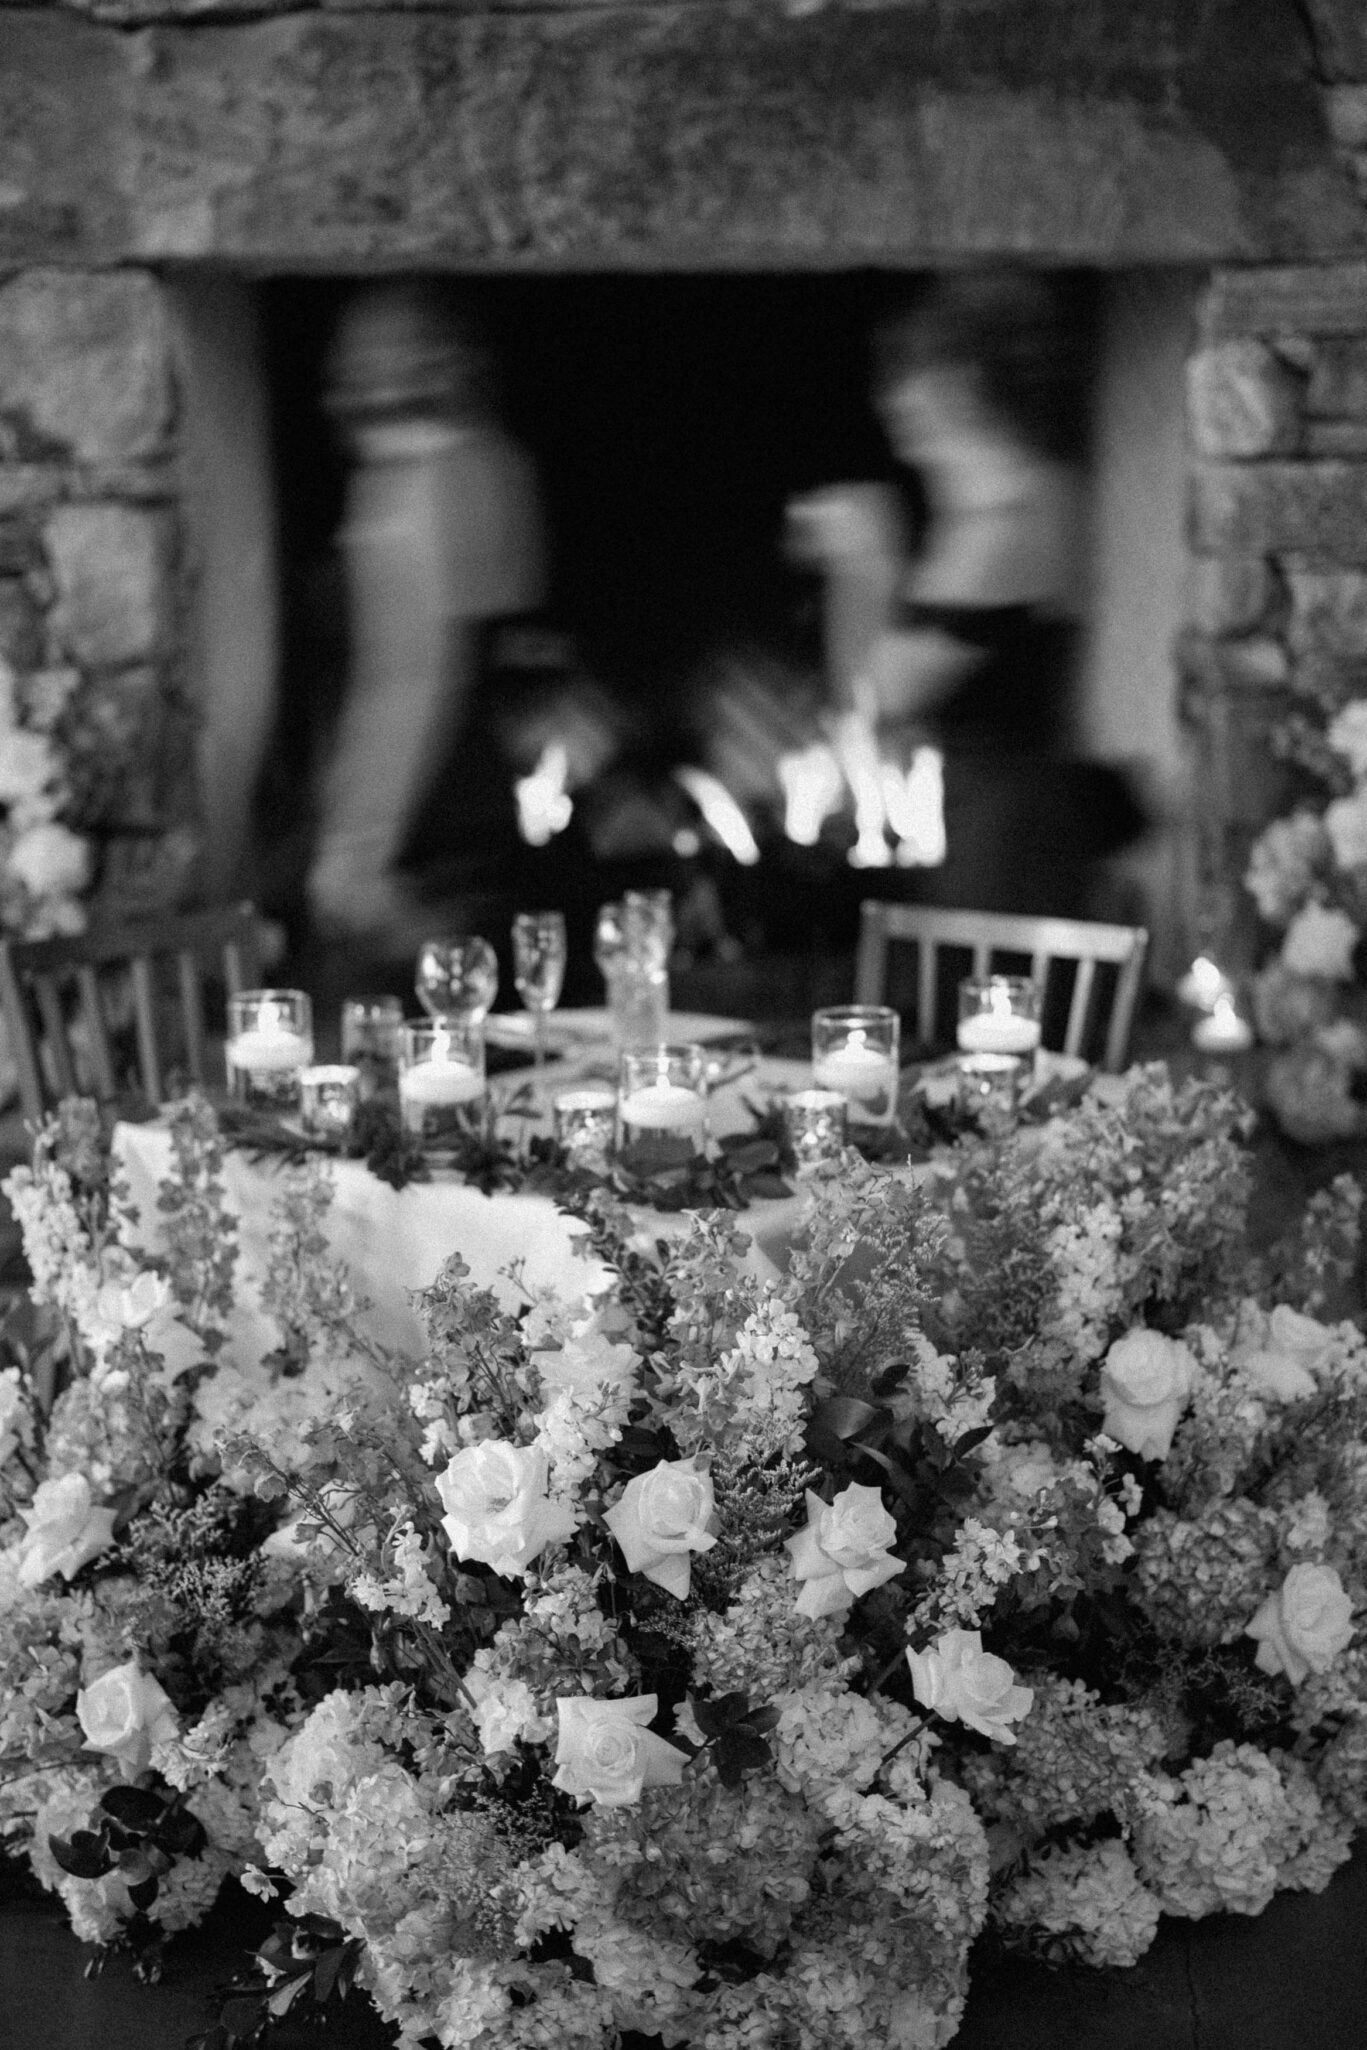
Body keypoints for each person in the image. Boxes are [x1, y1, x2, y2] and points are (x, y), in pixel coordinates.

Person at [789, 270, 1140, 914]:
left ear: (966, 383)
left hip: (1009, 829)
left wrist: (870, 560)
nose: (893, 397)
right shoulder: (995, 510)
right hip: (975, 814)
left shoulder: (1016, 516)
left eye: (912, 373)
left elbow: (883, 693)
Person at [306, 283, 548, 940]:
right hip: (470, 820)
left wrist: (354, 857)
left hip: (433, 840)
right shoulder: (482, 463)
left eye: (380, 352)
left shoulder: (420, 483)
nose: (351, 372)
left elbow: (411, 676)